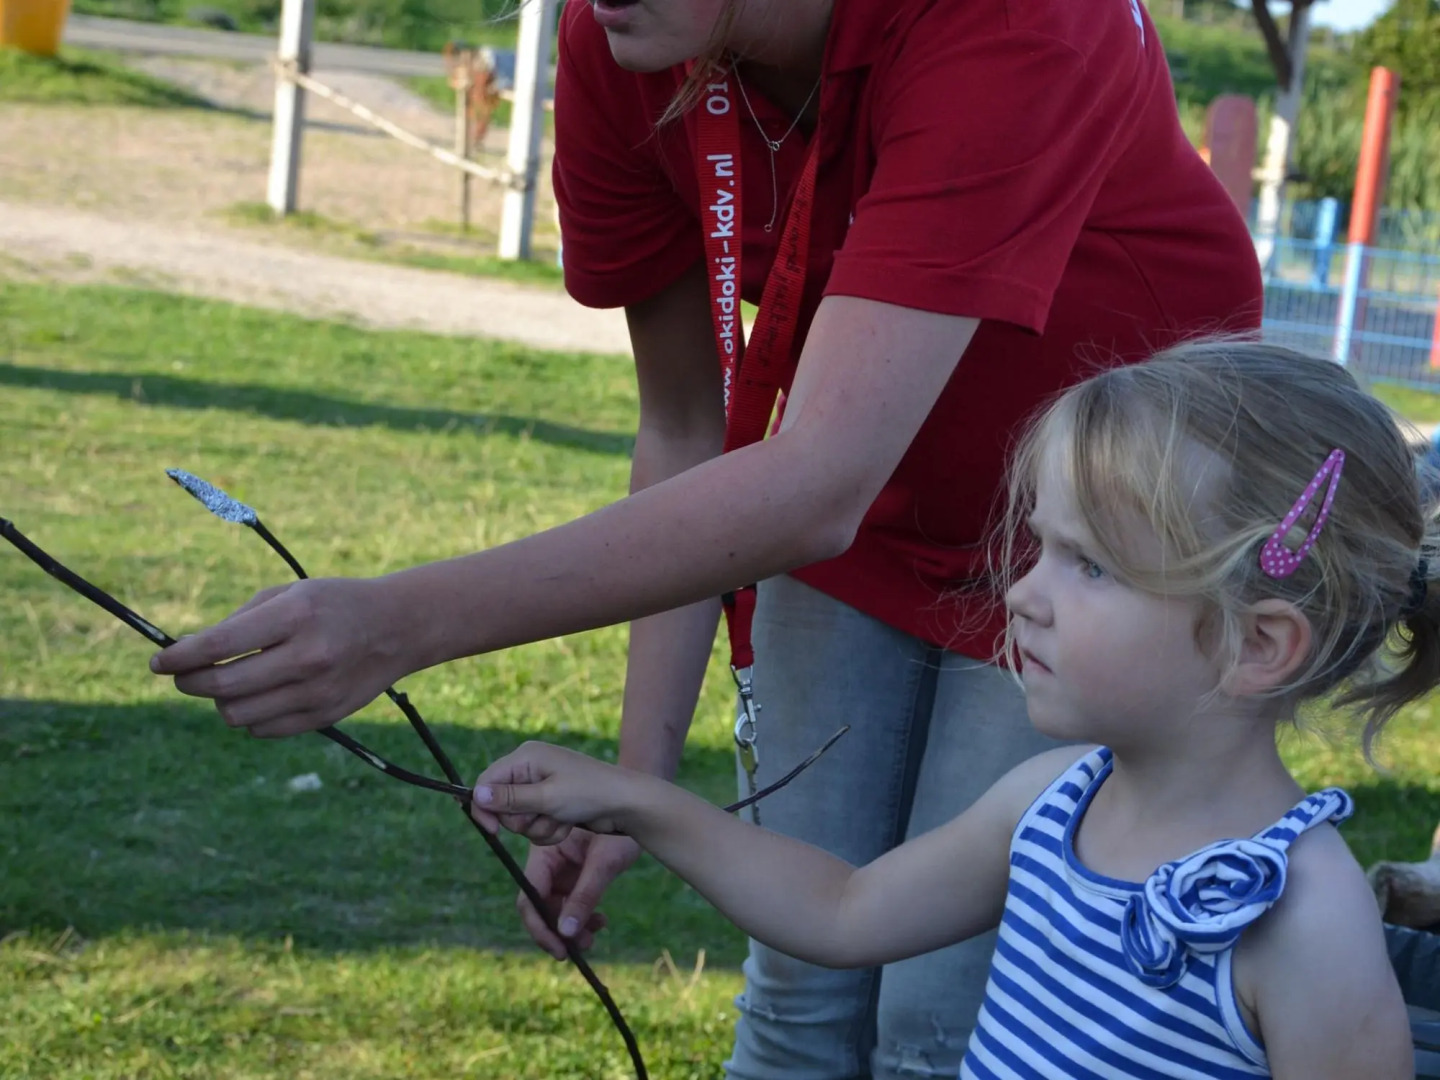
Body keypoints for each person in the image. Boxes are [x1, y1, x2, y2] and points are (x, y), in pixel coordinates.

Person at [149, 0, 1263, 1073]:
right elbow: (690, 430)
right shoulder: (621, 38)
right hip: (862, 514)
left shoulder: (1014, 18)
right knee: (797, 995)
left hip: (1105, 550)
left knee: (943, 1020)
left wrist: (396, 623)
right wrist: (637, 785)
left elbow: (814, 477)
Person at [469, 341, 1420, 1079]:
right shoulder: (1052, 804)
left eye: (1091, 566)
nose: (1025, 594)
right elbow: (843, 912)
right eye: (1041, 547)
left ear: (1259, 645)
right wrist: (636, 801)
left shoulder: (1303, 919)